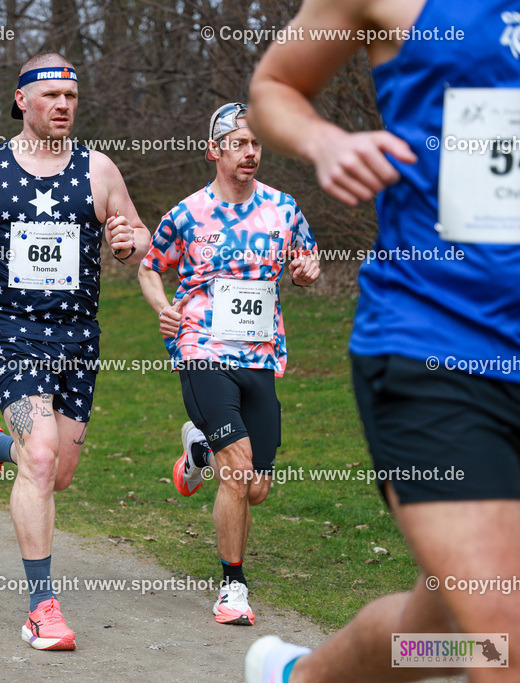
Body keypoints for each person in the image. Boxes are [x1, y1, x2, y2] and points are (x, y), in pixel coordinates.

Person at [243, 1, 520, 682]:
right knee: (505, 637)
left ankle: (307, 676)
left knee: (451, 631)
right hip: (442, 345)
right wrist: (325, 142)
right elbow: (275, 86)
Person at [0, 52, 150, 650]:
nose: (62, 106)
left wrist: (129, 240)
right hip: (11, 332)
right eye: (51, 96)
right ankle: (41, 607)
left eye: (71, 97)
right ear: (22, 100)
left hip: (79, 337)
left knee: (60, 474)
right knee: (44, 456)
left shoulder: (99, 169)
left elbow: (138, 233)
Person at [138, 102, 319, 627]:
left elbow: (306, 264)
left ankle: (197, 449)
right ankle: (232, 587)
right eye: (239, 144)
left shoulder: (284, 209)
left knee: (255, 487)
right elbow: (151, 267)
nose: (250, 153)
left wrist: (306, 270)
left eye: (256, 144)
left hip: (260, 355)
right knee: (237, 471)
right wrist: (163, 308)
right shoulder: (189, 213)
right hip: (202, 350)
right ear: (214, 150)